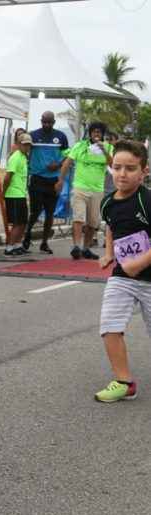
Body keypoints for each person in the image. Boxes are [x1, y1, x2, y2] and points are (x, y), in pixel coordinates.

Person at [94, 140, 151, 403]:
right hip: (122, 277)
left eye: (130, 168)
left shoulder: (147, 200)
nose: (122, 174)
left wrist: (140, 263)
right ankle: (124, 382)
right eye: (117, 167)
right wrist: (108, 253)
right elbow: (111, 228)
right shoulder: (108, 203)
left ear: (144, 171)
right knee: (109, 326)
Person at [59, 122, 113, 260]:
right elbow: (67, 163)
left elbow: (112, 164)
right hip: (80, 187)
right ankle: (76, 246)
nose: (96, 134)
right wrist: (60, 180)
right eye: (94, 132)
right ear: (89, 133)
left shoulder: (108, 147)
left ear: (102, 134)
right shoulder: (80, 146)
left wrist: (104, 150)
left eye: (99, 132)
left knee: (93, 222)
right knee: (78, 218)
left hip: (97, 189)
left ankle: (86, 248)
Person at [23, 111, 69, 254]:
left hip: (53, 180)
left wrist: (59, 164)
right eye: (44, 122)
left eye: (49, 122)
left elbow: (67, 156)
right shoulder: (33, 135)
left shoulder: (61, 136)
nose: (46, 125)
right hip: (36, 178)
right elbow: (24, 151)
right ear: (41, 120)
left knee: (50, 213)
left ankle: (44, 242)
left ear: (54, 122)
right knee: (35, 212)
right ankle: (27, 235)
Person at [3, 133, 32, 256]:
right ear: (19, 144)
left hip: (21, 194)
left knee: (23, 222)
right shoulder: (15, 157)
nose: (27, 147)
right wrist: (3, 193)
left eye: (29, 145)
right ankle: (9, 247)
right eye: (25, 145)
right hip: (13, 194)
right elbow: (7, 177)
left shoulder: (24, 157)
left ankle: (17, 244)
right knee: (16, 223)